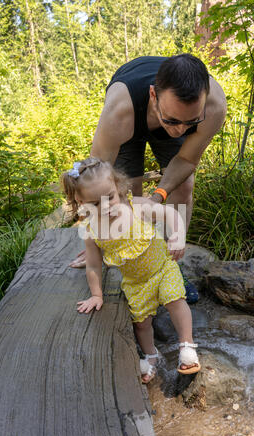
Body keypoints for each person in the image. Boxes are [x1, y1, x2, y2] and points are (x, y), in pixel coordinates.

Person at [70, 53, 227, 303]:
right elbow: (96, 182)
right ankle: (128, 260)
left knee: (184, 187)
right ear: (154, 96)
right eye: (172, 121)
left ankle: (171, 267)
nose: (179, 131)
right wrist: (96, 242)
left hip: (168, 112)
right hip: (133, 119)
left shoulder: (214, 107)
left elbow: (186, 161)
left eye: (190, 122)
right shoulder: (119, 113)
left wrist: (158, 196)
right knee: (128, 194)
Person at [62, 157, 201, 384]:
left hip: (163, 268)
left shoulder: (137, 207)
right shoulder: (92, 231)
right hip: (136, 283)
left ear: (119, 187)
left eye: (110, 197)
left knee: (175, 299)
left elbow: (171, 214)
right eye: (95, 204)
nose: (105, 207)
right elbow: (95, 266)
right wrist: (96, 294)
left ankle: (187, 345)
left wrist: (178, 235)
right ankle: (151, 355)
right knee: (141, 323)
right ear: (81, 202)